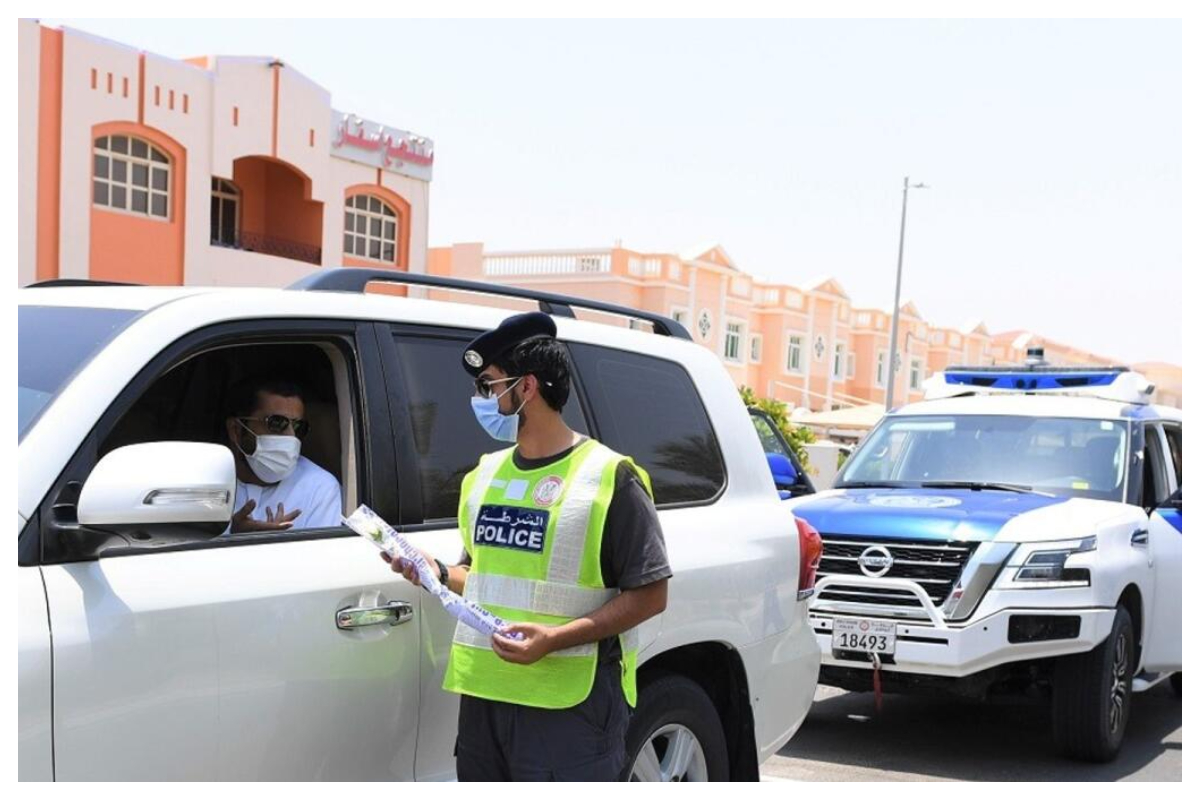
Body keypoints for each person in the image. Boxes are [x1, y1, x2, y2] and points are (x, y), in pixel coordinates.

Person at [381, 312, 671, 781]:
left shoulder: (609, 477)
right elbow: (479, 575)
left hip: (568, 706)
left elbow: (651, 595)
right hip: (485, 698)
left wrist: (555, 639)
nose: (482, 399)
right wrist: (432, 570)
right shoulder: (484, 476)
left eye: (489, 386)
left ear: (528, 387)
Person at [223, 377, 343, 533]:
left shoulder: (319, 487)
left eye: (298, 427)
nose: (291, 437)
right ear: (236, 430)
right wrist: (233, 537)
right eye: (277, 423)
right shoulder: (207, 482)